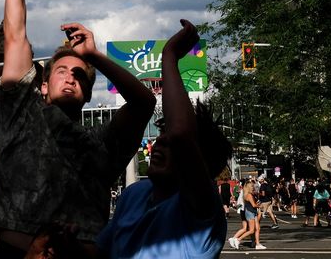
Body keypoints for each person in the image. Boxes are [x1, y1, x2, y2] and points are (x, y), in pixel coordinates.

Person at [0, 0, 156, 258]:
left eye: (80, 76)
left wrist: (95, 55)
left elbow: (144, 102)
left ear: (87, 93)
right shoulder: (23, 114)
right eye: (61, 71)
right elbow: (14, 36)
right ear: (42, 84)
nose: (70, 77)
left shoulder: (102, 145)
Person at [95, 19, 233, 259]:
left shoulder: (202, 209)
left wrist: (168, 57)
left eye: (171, 143)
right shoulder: (133, 195)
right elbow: (100, 252)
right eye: (161, 136)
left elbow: (181, 134)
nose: (159, 144)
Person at [228, 178, 264, 250]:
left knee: (258, 228)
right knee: (251, 230)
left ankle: (257, 244)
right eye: (252, 186)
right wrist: (260, 206)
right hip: (250, 212)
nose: (253, 187)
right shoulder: (248, 195)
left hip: (252, 212)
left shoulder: (248, 194)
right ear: (248, 187)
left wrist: (256, 204)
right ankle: (238, 239)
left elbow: (252, 204)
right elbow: (253, 205)